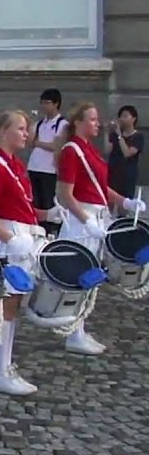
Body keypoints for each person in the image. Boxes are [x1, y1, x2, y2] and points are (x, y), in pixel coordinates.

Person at [55, 102, 144, 356]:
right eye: (92, 119)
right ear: (78, 123)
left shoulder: (89, 149)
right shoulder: (72, 150)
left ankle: (79, 329)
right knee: (80, 275)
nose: (98, 123)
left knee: (91, 276)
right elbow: (65, 194)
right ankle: (74, 333)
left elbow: (100, 187)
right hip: (82, 220)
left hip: (96, 217)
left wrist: (125, 202)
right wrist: (86, 220)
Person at [0, 110, 51, 396]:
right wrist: (10, 239)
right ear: (2, 132)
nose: (26, 133)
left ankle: (5, 366)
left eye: (26, 128)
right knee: (5, 308)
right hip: (7, 242)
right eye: (20, 128)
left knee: (13, 307)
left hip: (21, 239)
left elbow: (20, 205)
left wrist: (46, 215)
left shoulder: (15, 164)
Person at [27, 89, 65, 230]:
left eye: (47, 103)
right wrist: (31, 124)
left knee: (48, 202)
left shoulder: (62, 124)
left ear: (56, 104)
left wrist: (39, 143)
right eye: (42, 103)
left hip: (49, 169)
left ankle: (50, 229)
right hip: (34, 166)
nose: (43, 106)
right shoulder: (40, 124)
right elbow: (30, 142)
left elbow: (56, 146)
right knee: (36, 202)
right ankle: (38, 228)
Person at [107, 105, 143, 200]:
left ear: (134, 118)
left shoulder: (138, 137)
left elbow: (127, 153)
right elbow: (107, 150)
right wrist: (108, 132)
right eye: (121, 116)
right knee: (109, 201)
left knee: (124, 203)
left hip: (127, 176)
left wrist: (120, 135)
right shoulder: (114, 134)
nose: (122, 119)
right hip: (112, 172)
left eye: (125, 116)